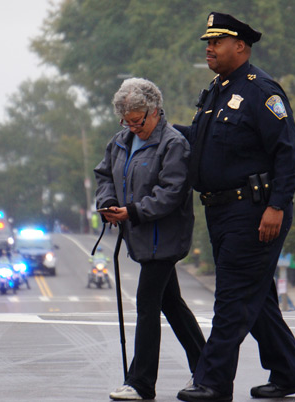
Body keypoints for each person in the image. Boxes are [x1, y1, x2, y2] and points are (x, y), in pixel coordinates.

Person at [174, 12, 295, 402]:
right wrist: (162, 128)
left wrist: (277, 207)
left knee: (232, 298)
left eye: (217, 42)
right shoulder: (217, 90)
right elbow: (199, 141)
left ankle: (212, 383)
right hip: (221, 212)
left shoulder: (261, 91)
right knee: (257, 299)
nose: (209, 49)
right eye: (207, 43)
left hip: (254, 212)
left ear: (241, 46)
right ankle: (288, 372)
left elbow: (288, 155)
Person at [95, 78, 206, 401]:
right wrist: (107, 204)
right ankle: (206, 367)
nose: (132, 128)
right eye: (126, 121)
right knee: (171, 303)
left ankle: (141, 383)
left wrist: (131, 211)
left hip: (165, 238)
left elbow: (171, 192)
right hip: (141, 236)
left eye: (137, 121)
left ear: (155, 111)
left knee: (147, 303)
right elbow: (104, 175)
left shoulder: (173, 144)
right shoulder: (120, 141)